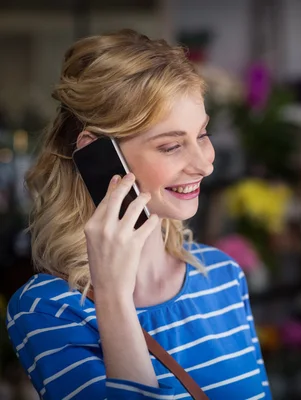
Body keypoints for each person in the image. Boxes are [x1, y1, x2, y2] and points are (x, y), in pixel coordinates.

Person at [5, 29, 271, 400]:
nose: (203, 166)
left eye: (202, 134)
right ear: (98, 155)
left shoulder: (223, 277)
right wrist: (113, 296)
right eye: (172, 146)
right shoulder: (48, 309)